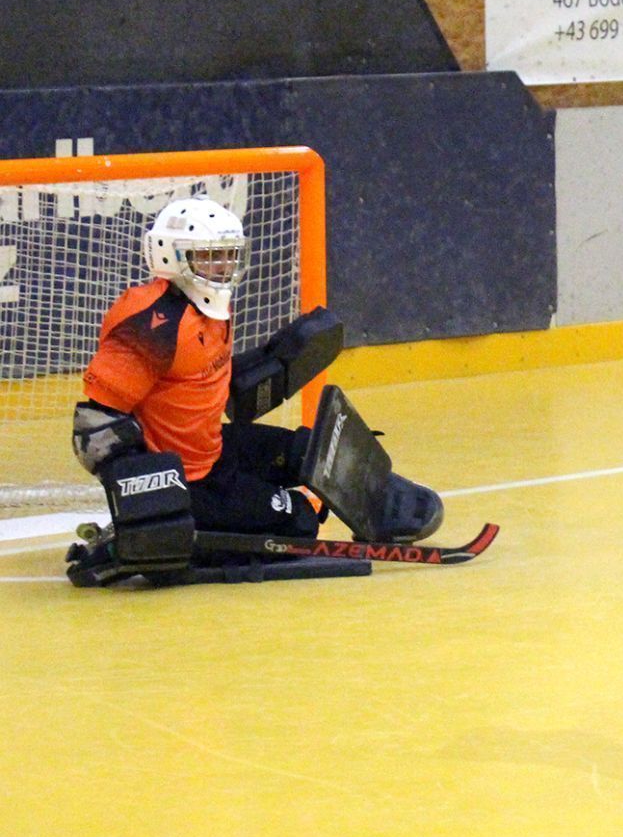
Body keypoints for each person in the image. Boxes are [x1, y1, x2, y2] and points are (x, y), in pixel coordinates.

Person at [65, 197, 441, 587]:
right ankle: (160, 540)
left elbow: (199, 385)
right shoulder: (151, 323)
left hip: (213, 447)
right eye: (211, 256)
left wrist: (271, 367)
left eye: (229, 255)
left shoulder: (210, 307)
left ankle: (387, 512)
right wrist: (150, 505)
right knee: (299, 522)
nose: (224, 267)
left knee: (312, 451)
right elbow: (94, 429)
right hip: (189, 480)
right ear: (171, 257)